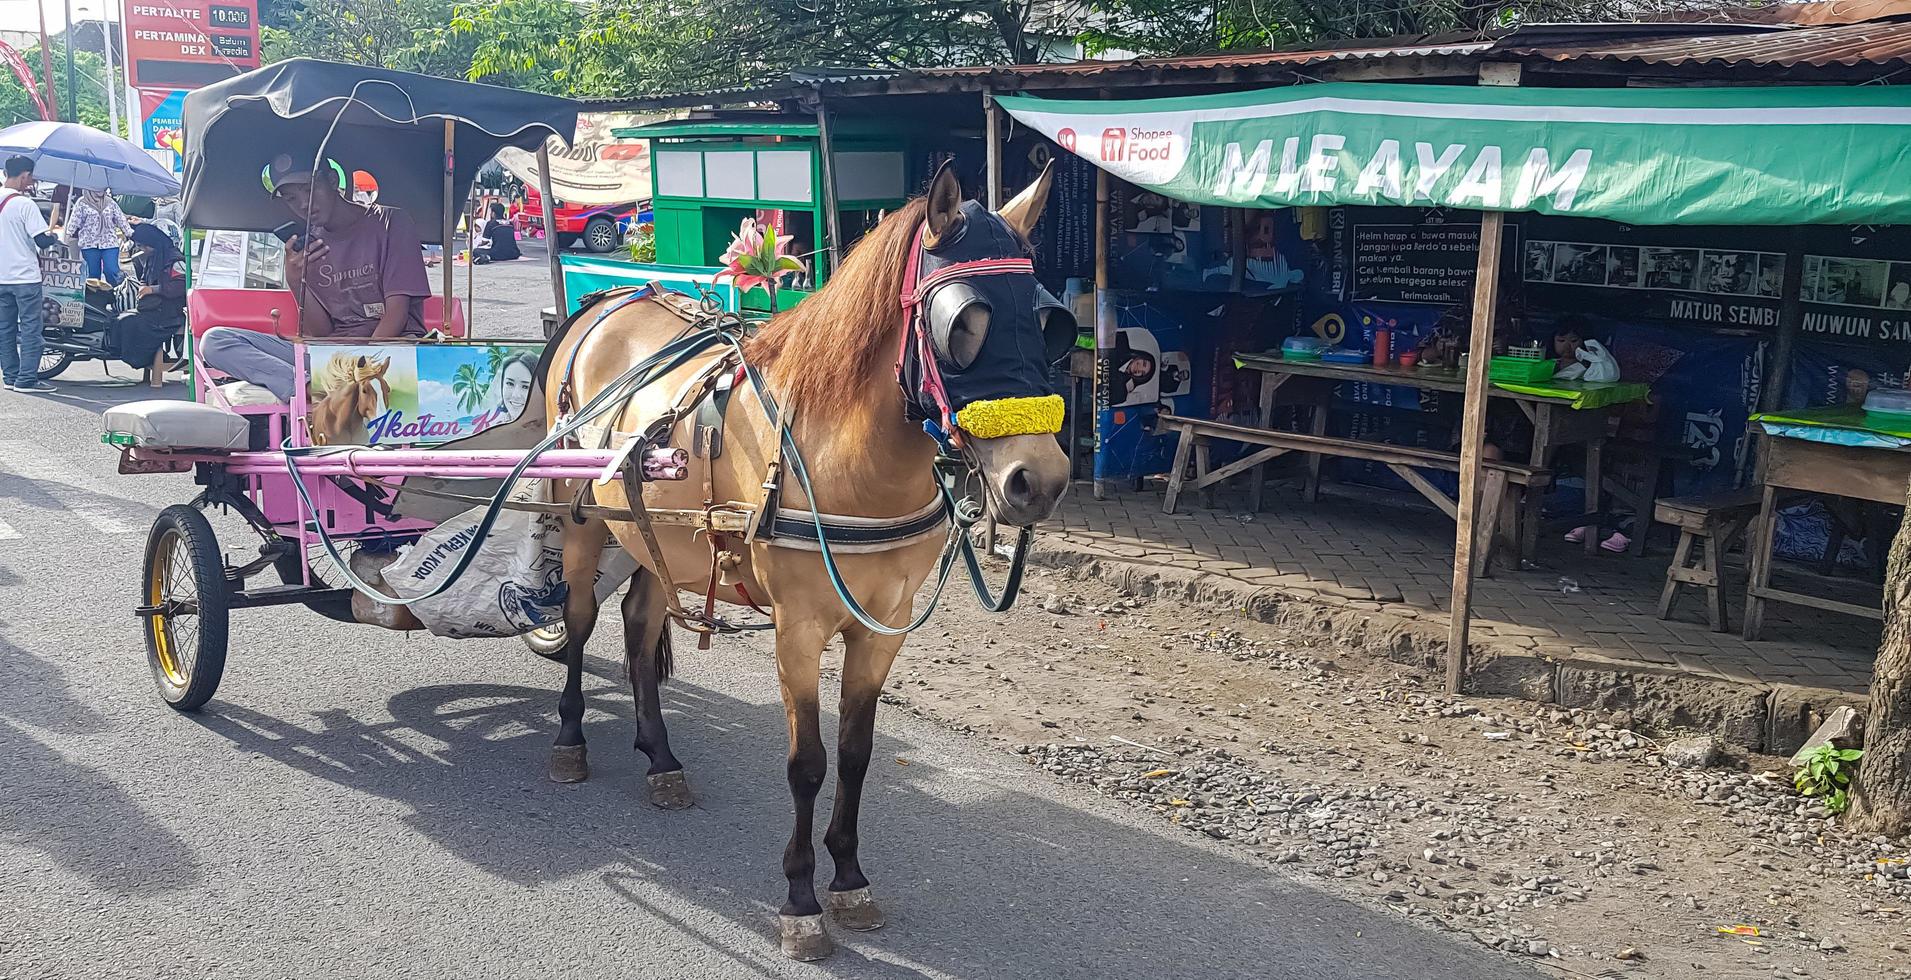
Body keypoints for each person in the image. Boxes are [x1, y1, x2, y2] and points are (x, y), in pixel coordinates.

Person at [198, 154, 433, 401]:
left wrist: (363, 369)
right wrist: (295, 281)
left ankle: (329, 389)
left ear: (331, 180)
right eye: (291, 198)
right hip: (331, 360)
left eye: (309, 189)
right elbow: (320, 332)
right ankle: (307, 390)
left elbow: (396, 313)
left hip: (389, 352)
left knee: (379, 358)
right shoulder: (309, 244)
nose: (303, 204)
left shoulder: (391, 223)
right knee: (215, 340)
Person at [0, 156, 58, 392]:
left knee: (5, 330)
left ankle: (11, 377)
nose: (31, 181)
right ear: (24, 175)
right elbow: (42, 241)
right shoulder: (24, 204)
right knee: (31, 328)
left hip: (1, 278)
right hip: (24, 277)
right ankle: (27, 380)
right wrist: (54, 234)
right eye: (31, 176)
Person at [110, 222, 188, 370]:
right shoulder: (152, 257)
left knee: (131, 323)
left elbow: (181, 285)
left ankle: (147, 358)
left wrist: (153, 289)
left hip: (169, 311)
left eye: (144, 246)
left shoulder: (175, 259)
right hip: (154, 307)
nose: (142, 249)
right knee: (118, 319)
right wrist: (142, 285)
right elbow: (145, 277)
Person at [66, 188, 132, 285]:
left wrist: (130, 233)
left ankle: (117, 293)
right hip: (89, 244)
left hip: (109, 243)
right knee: (93, 274)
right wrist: (67, 236)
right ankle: (94, 297)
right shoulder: (81, 203)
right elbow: (73, 222)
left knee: (112, 270)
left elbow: (121, 220)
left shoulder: (110, 202)